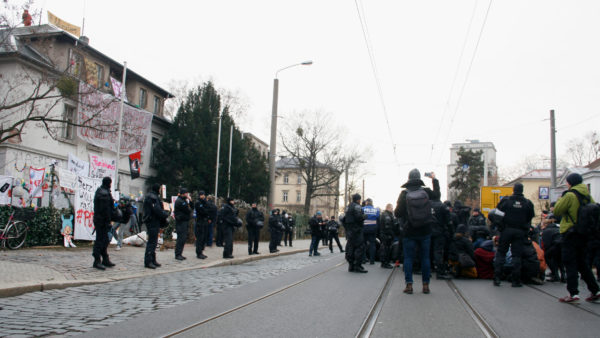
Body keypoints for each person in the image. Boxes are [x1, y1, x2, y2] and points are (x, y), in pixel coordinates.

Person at [553, 173, 600, 303]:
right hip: (584, 233)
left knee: (569, 262)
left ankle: (573, 293)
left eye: (567, 182)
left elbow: (557, 210)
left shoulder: (569, 195)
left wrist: (560, 199)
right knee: (582, 263)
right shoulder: (587, 196)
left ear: (570, 182)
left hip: (570, 232)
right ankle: (595, 290)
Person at [394, 169, 440, 294]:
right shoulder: (425, 191)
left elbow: (397, 213)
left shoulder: (404, 194)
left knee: (408, 258)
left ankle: (409, 285)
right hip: (425, 230)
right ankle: (426, 285)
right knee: (425, 258)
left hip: (409, 231)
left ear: (408, 179)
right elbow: (437, 196)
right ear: (419, 179)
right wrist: (434, 179)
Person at [493, 183, 535, 287]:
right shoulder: (528, 203)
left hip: (506, 230)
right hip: (520, 232)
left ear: (513, 190)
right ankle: (516, 280)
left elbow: (497, 215)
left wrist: (501, 227)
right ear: (522, 190)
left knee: (501, 253)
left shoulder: (506, 201)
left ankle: (497, 277)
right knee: (517, 255)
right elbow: (530, 218)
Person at [143, 184, 169, 269]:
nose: (160, 191)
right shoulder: (152, 197)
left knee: (154, 242)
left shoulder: (152, 196)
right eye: (160, 189)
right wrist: (165, 214)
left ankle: (153, 259)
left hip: (153, 221)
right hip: (152, 221)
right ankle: (148, 261)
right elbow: (157, 210)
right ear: (158, 189)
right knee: (152, 242)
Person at [92, 177, 115, 270]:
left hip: (102, 220)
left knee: (105, 240)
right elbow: (105, 209)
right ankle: (97, 260)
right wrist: (108, 219)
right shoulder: (103, 193)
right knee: (100, 240)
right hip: (101, 220)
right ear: (109, 183)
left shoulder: (103, 191)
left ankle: (105, 259)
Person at [344, 193, 367, 273]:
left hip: (349, 230)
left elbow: (343, 218)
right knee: (359, 247)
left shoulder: (348, 207)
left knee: (350, 247)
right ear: (358, 199)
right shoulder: (357, 206)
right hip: (357, 230)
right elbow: (359, 217)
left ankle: (351, 265)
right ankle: (357, 265)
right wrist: (364, 216)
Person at [431, 193, 451, 279]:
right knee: (438, 251)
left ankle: (429, 268)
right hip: (439, 231)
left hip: (428, 231)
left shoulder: (427, 205)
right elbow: (448, 220)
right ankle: (439, 272)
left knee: (429, 250)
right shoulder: (442, 206)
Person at [541, 214, 565, 282]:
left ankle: (555, 274)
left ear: (545, 224)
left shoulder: (546, 231)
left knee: (547, 256)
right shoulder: (558, 227)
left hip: (555, 245)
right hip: (563, 244)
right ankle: (563, 275)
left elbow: (547, 245)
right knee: (560, 259)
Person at [174, 188, 192, 260]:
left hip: (184, 221)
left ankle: (179, 253)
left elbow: (191, 208)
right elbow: (188, 210)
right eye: (186, 194)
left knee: (183, 238)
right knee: (181, 238)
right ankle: (178, 254)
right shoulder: (180, 201)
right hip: (181, 222)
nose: (187, 195)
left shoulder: (184, 200)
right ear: (182, 194)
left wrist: (190, 201)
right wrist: (189, 203)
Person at [378, 204, 397, 269]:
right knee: (386, 249)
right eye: (392, 208)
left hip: (384, 234)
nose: (392, 209)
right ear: (388, 208)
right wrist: (391, 234)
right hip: (386, 235)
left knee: (385, 248)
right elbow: (387, 226)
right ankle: (385, 262)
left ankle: (385, 262)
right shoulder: (387, 215)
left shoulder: (385, 214)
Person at [362, 198, 380, 265]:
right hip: (373, 229)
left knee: (363, 244)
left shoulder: (363, 209)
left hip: (364, 229)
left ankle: (364, 259)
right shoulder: (376, 210)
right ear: (372, 203)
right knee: (372, 244)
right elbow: (378, 219)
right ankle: (372, 260)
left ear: (366, 202)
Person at [194, 191, 210, 259]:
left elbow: (209, 209)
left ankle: (201, 251)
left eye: (203, 195)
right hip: (200, 222)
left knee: (203, 238)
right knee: (200, 238)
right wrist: (206, 211)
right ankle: (199, 252)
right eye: (201, 195)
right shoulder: (198, 202)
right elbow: (203, 211)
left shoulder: (205, 202)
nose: (203, 196)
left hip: (204, 221)